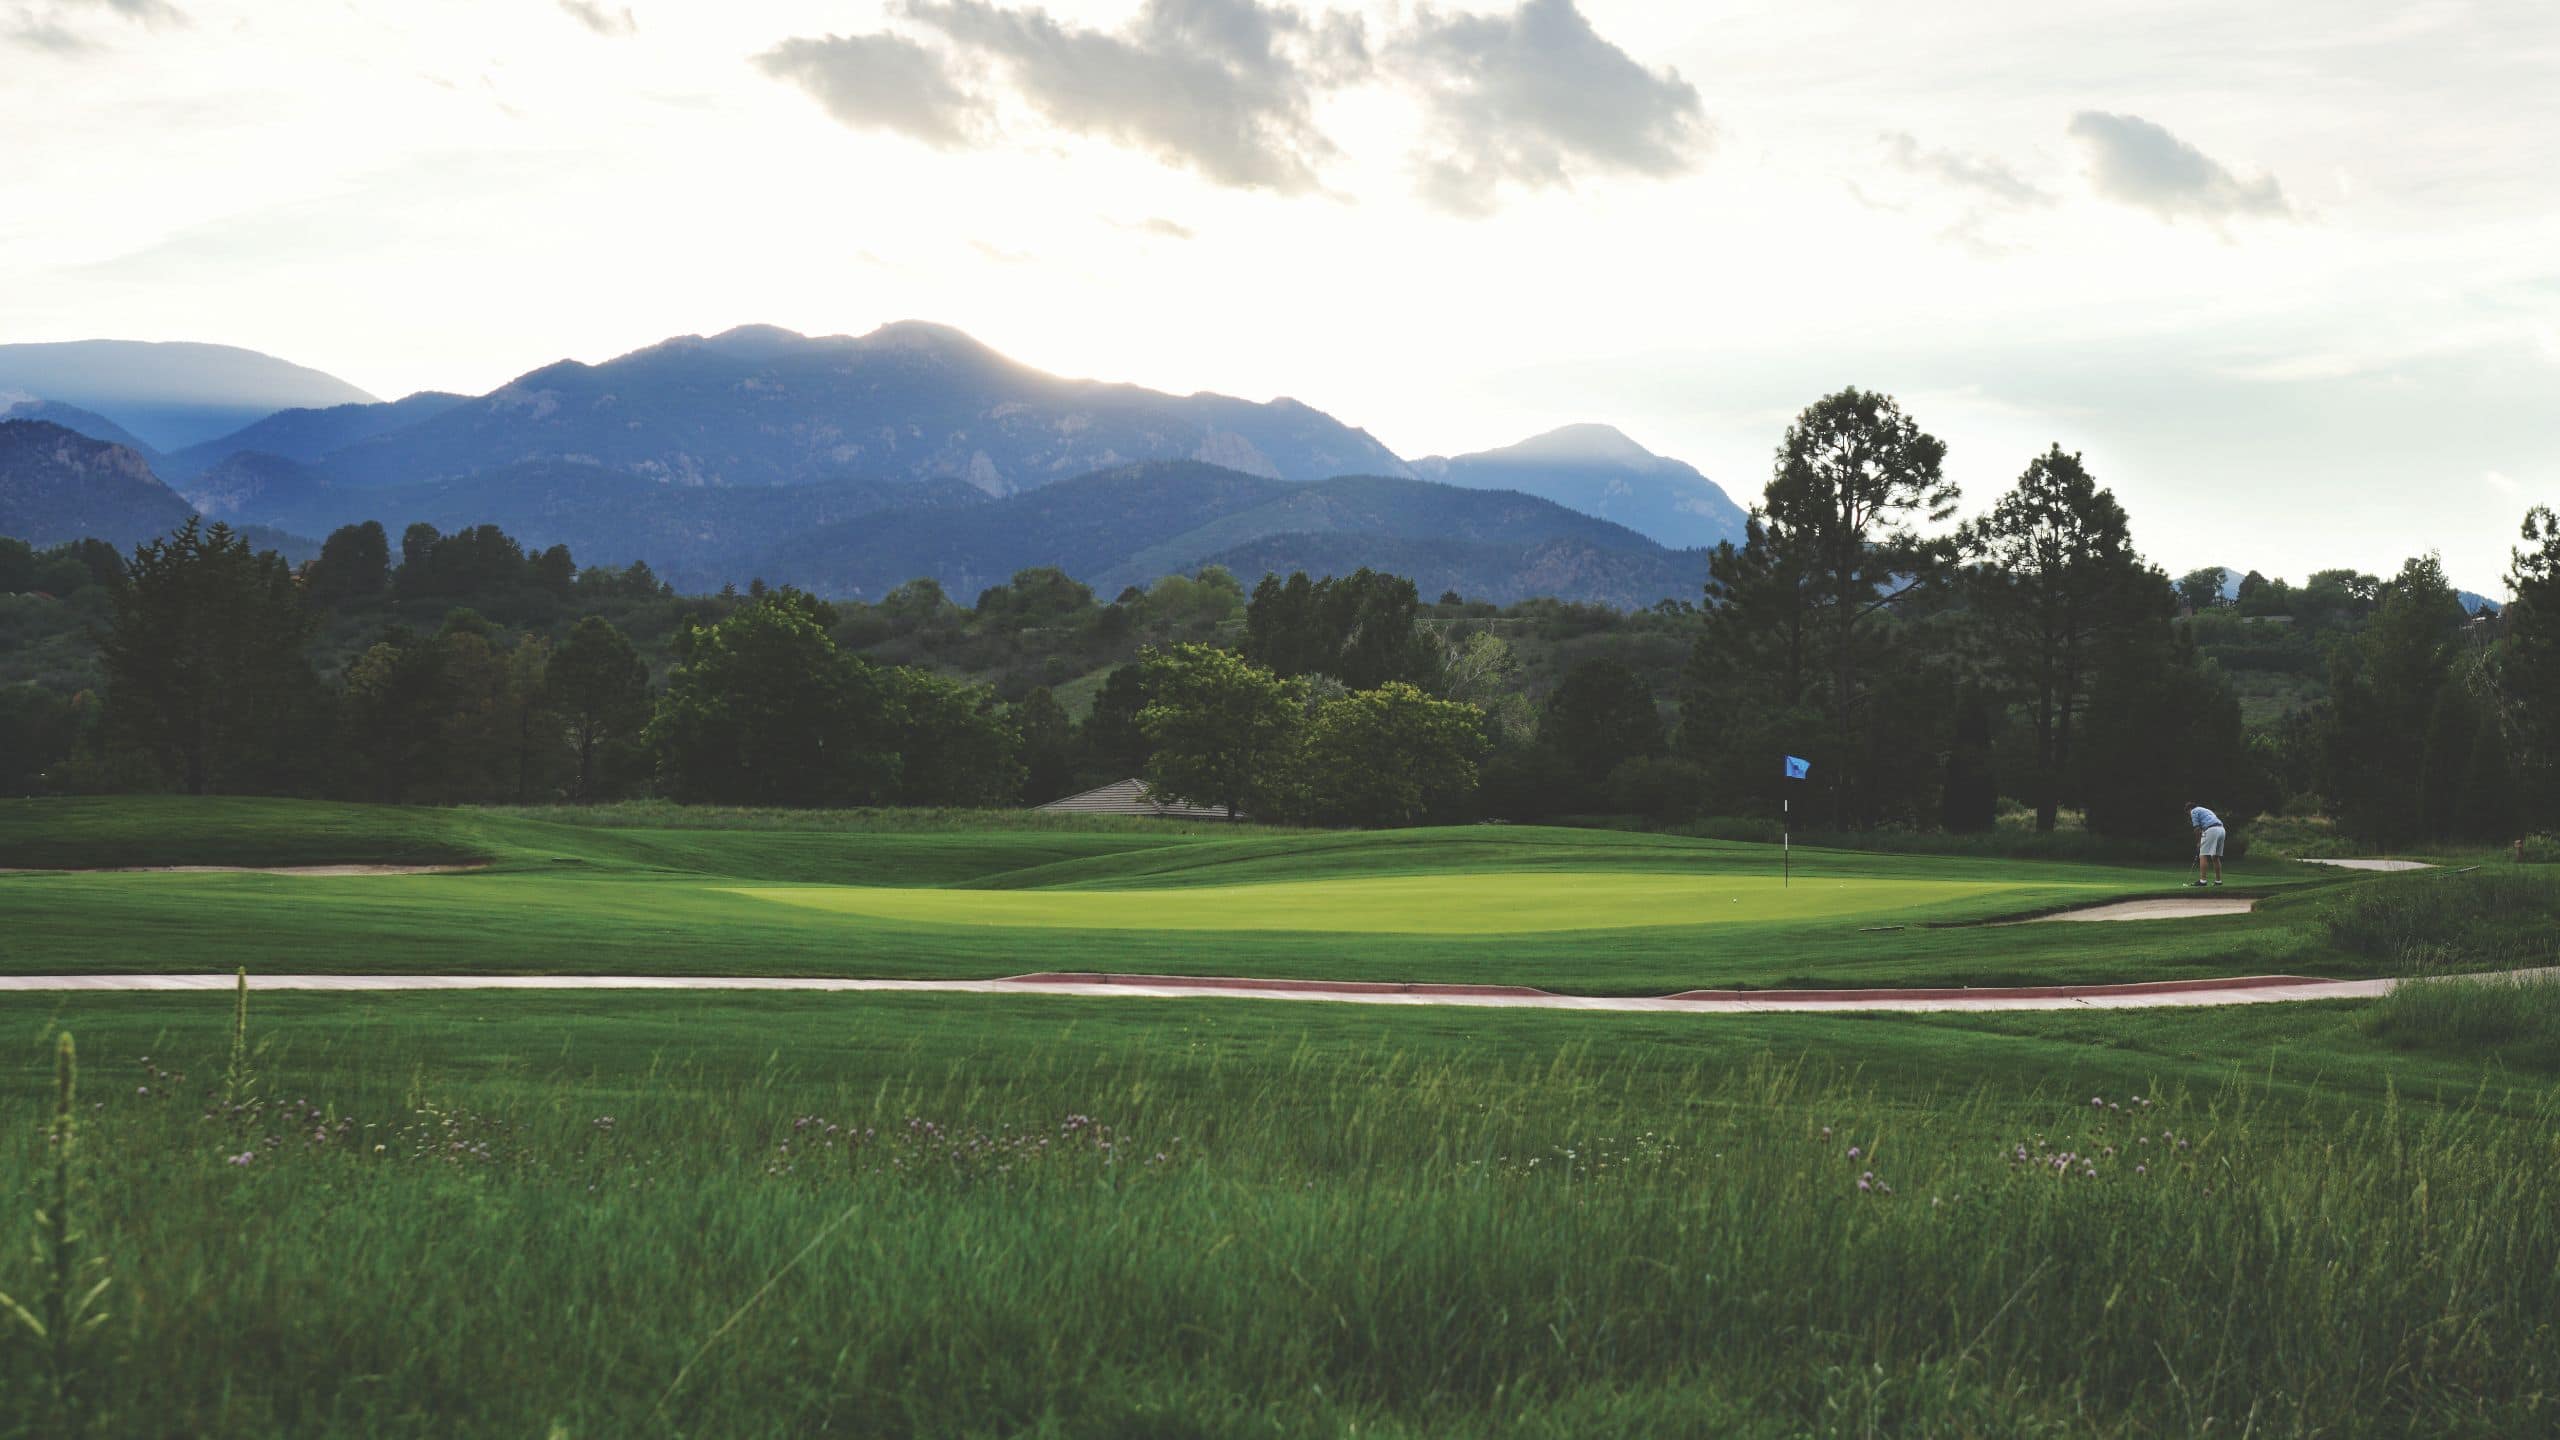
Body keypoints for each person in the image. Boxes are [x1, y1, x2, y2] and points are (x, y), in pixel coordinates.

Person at [2188, 802, 2226, 887]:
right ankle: (2218, 881)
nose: (2189, 815)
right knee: (2215, 856)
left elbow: (2197, 829)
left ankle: (2203, 881)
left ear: (2189, 809)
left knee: (2203, 855)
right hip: (2221, 830)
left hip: (2212, 830)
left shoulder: (2193, 811)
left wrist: (2198, 842)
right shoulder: (2206, 810)